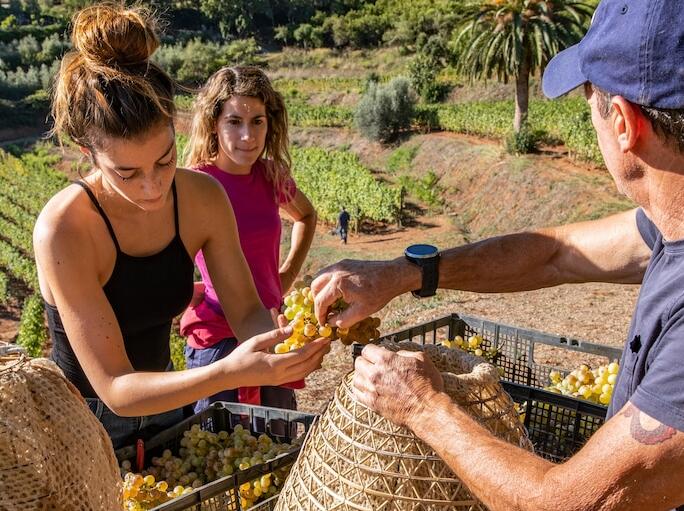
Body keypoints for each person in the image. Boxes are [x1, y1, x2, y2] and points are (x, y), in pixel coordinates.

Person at [311, 1, 684, 509]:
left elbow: (567, 504)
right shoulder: (670, 222)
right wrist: (402, 274)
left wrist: (423, 406)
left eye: (589, 100)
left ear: (622, 122)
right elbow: (556, 252)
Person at [34, 3, 329, 450]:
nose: (153, 187)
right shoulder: (64, 229)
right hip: (82, 429)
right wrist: (229, 370)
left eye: (165, 159)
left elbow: (247, 311)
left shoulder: (201, 197)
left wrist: (282, 345)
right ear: (87, 153)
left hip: (166, 407)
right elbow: (115, 387)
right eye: (127, 173)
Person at [179, 66, 317, 413]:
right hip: (219, 338)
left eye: (257, 121)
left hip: (271, 331)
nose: (247, 136)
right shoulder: (195, 183)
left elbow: (306, 216)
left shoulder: (271, 175)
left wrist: (285, 276)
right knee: (220, 448)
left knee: (278, 448)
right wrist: (185, 289)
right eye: (234, 122)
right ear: (214, 123)